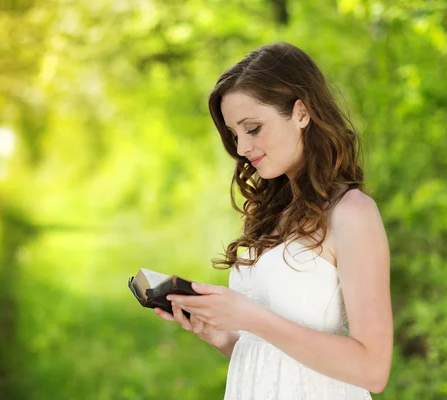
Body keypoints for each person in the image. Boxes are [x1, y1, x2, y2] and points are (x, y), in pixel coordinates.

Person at [154, 41, 393, 399]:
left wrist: (249, 317)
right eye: (235, 135)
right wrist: (219, 333)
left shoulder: (352, 213)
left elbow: (373, 370)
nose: (241, 149)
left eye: (253, 128)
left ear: (301, 113)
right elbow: (273, 358)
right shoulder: (272, 213)